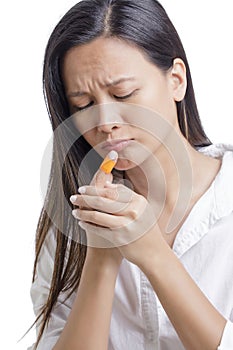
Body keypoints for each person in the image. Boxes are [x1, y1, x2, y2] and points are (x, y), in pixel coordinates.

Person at [28, 0, 233, 349]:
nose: (105, 121)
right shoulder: (70, 220)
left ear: (176, 81)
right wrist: (102, 258)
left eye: (123, 93)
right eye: (83, 104)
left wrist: (153, 254)